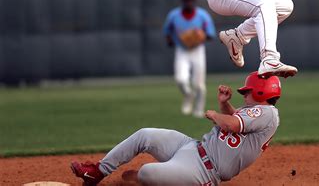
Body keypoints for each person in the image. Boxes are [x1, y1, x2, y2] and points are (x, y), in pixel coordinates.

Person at [71, 72, 281, 186]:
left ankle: (149, 179)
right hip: (192, 147)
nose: (244, 94)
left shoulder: (267, 113)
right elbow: (237, 124)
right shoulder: (255, 112)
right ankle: (97, 172)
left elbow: (231, 124)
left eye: (248, 91)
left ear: (262, 92)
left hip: (203, 171)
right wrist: (225, 104)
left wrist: (216, 115)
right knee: (145, 134)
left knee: (146, 172)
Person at [163, 0, 216, 118]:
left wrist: (200, 36)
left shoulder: (202, 15)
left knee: (199, 85)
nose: (188, 2)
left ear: (194, 0)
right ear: (182, 1)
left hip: (197, 50)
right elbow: (167, 31)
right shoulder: (174, 15)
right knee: (180, 79)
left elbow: (210, 34)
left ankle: (198, 110)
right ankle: (188, 95)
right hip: (182, 50)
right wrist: (170, 41)